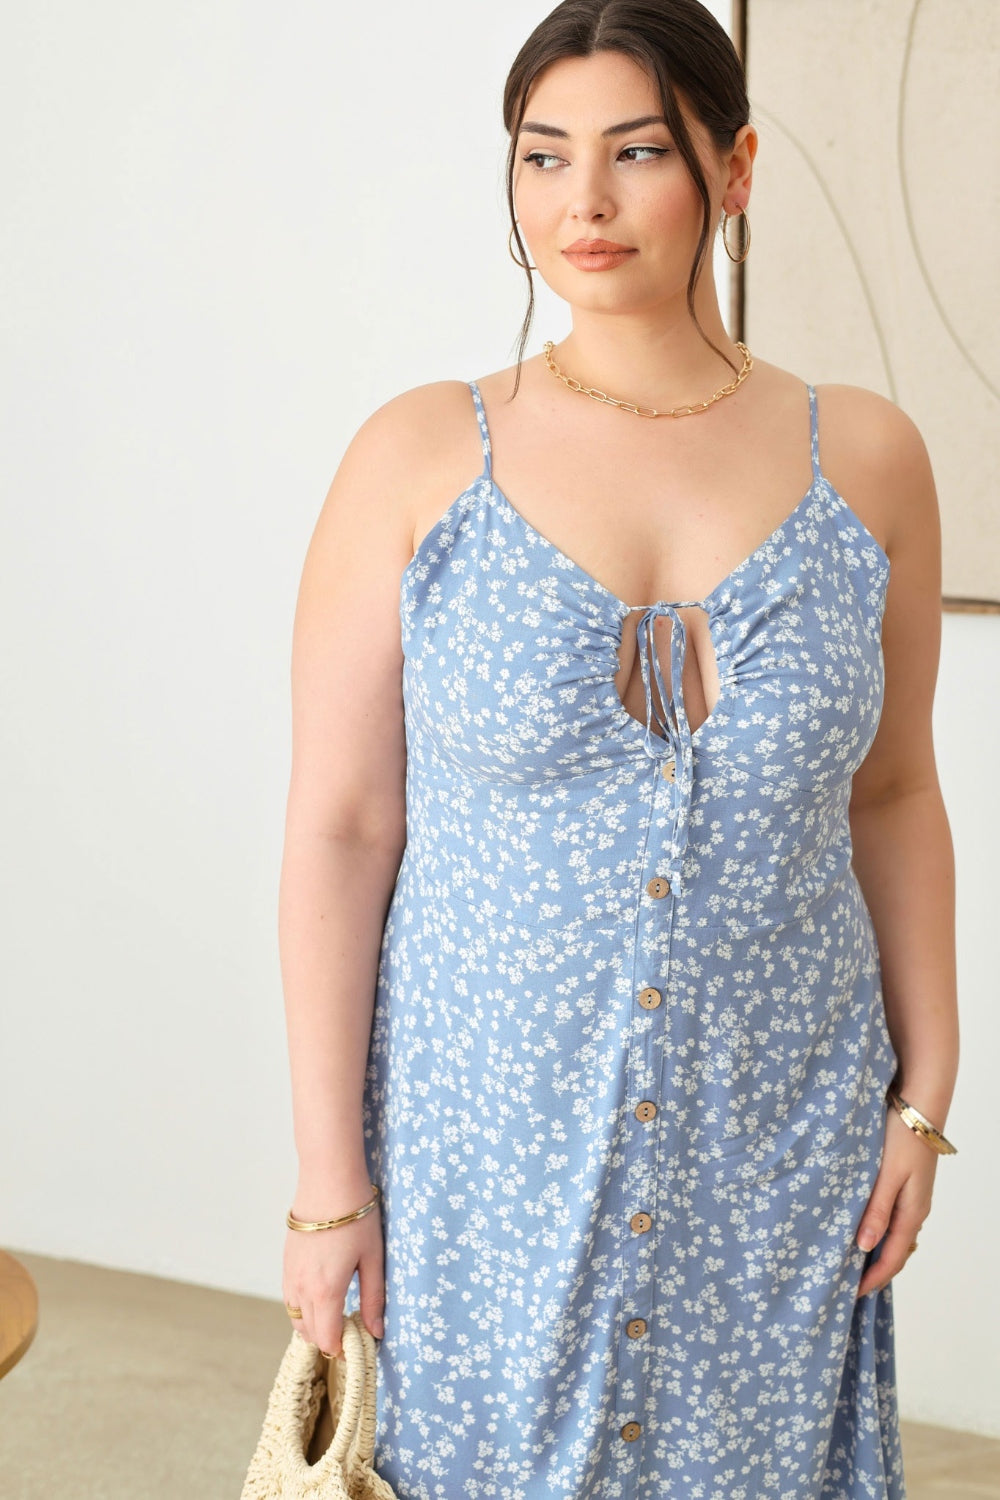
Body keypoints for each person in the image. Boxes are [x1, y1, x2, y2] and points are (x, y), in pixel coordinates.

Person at [276, 2, 960, 1495]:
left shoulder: (874, 462)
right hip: (485, 1152)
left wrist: (928, 1088)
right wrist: (332, 1186)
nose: (580, 202)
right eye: (543, 156)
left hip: (777, 1137)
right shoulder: (417, 459)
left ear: (735, 171)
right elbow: (339, 829)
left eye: (637, 151)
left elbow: (896, 790)